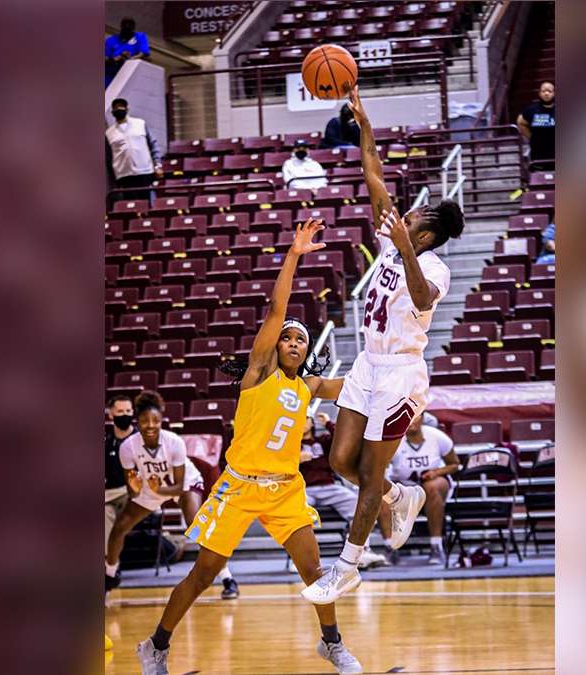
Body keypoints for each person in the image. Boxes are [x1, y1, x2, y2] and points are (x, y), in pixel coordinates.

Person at [137, 218, 364, 675]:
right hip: (238, 487)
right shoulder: (259, 373)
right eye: (287, 338)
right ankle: (155, 645)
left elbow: (357, 384)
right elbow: (277, 309)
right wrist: (294, 255)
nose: (293, 342)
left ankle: (332, 643)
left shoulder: (309, 386)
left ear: (307, 351)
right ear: (274, 346)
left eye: (301, 340)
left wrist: (398, 366)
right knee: (203, 574)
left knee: (315, 572)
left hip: (285, 490)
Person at [301, 85, 464, 605]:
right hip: (367, 364)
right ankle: (400, 496)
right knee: (341, 460)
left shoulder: (434, 266)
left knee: (369, 473)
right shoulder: (395, 241)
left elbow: (421, 296)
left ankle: (347, 567)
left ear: (425, 237)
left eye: (412, 219)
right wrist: (364, 124)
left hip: (401, 373)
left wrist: (404, 250)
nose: (403, 217)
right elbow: (373, 173)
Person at [107, 390, 239, 602]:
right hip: (151, 488)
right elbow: (133, 493)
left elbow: (178, 487)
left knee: (196, 526)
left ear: (161, 421)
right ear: (137, 422)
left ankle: (227, 579)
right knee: (120, 527)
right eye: (145, 421)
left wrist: (156, 489)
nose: (150, 425)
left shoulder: (174, 442)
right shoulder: (128, 448)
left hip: (184, 483)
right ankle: (109, 576)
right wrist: (135, 486)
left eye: (155, 421)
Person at [299, 417, 387, 569]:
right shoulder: (290, 445)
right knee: (297, 511)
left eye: (306, 419)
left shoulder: (323, 441)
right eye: (300, 419)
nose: (303, 422)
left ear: (312, 422)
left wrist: (328, 423)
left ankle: (361, 552)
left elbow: (344, 441)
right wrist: (295, 459)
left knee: (358, 505)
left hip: (329, 487)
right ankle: (302, 559)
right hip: (303, 489)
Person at [378, 414, 461, 566]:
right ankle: (390, 547)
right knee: (381, 493)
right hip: (403, 486)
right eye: (407, 417)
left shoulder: (437, 437)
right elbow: (380, 467)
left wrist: (436, 472)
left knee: (431, 487)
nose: (411, 420)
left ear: (422, 418)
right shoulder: (392, 441)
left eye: (415, 416)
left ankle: (436, 546)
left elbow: (455, 465)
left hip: (434, 483)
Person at [105, 395, 135, 599]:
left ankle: (110, 568)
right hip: (111, 494)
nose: (125, 415)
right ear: (111, 414)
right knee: (104, 513)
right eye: (120, 412)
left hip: (135, 493)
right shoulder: (106, 442)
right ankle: (111, 566)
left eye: (128, 411)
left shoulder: (140, 439)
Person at [106, 98, 162, 200]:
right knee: (130, 205)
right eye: (116, 108)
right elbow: (109, 158)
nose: (119, 109)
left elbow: (153, 145)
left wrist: (157, 165)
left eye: (121, 107)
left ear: (127, 108)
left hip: (144, 171)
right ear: (112, 112)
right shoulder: (109, 133)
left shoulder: (140, 124)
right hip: (124, 175)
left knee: (146, 203)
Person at [516, 82, 555, 170]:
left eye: (549, 91)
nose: (546, 93)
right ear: (539, 93)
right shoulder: (531, 109)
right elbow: (520, 122)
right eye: (543, 91)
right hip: (538, 155)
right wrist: (531, 137)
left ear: (554, 93)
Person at [105, 18, 150, 85]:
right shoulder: (111, 40)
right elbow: (105, 57)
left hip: (129, 74)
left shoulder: (140, 36)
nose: (126, 33)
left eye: (129, 30)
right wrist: (115, 59)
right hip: (111, 74)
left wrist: (129, 59)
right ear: (121, 28)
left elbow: (144, 53)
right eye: (124, 30)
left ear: (133, 29)